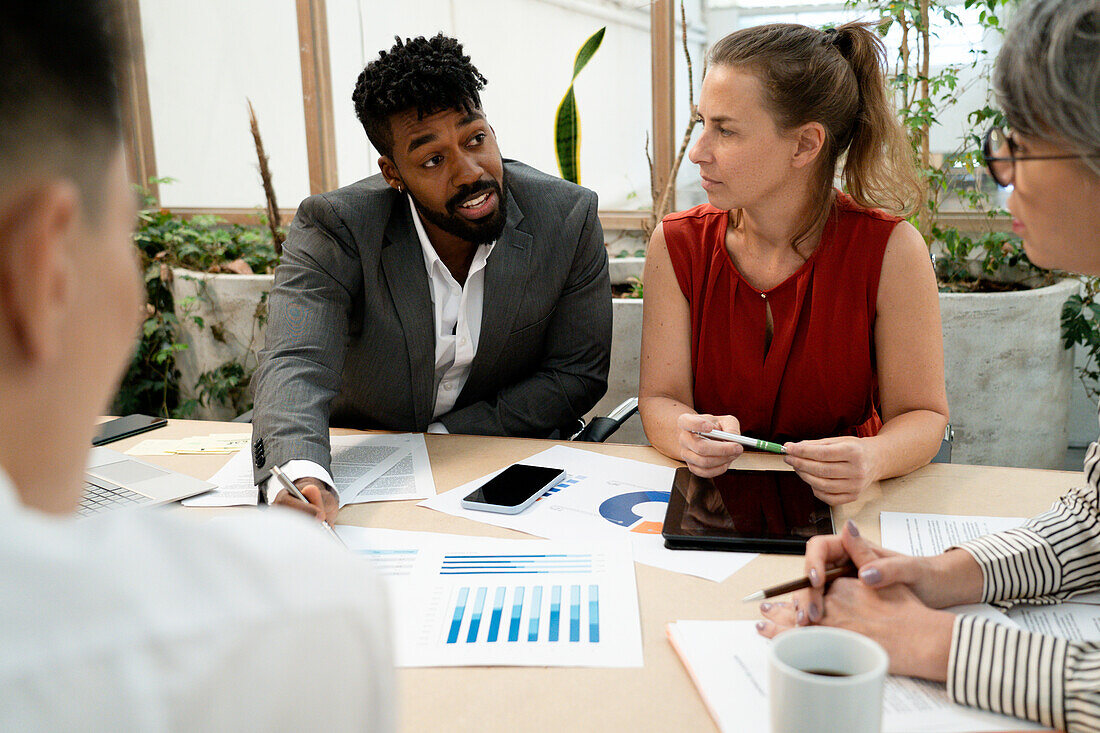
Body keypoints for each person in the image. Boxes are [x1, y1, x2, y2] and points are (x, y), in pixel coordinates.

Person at [0, 2, 393, 729]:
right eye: (122, 234)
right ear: (45, 266)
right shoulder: (297, 611)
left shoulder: (555, 217)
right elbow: (295, 358)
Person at [758, 0, 1100, 729]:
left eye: (1019, 144)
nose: (1000, 170)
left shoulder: (885, 246)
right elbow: (1097, 524)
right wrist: (940, 574)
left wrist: (932, 641)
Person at [251, 34, 612, 521]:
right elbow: (296, 359)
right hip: (361, 475)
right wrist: (301, 474)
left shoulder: (566, 217)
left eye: (476, 139)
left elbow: (576, 373)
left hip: (494, 472)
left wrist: (443, 440)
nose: (469, 172)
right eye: (432, 160)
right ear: (392, 172)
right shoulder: (337, 227)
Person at [638, 21, 949, 506]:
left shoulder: (892, 250)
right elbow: (659, 400)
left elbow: (923, 415)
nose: (698, 151)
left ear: (805, 144)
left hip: (845, 506)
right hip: (715, 507)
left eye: (726, 130)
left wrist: (873, 458)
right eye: (703, 123)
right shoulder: (677, 244)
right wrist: (686, 432)